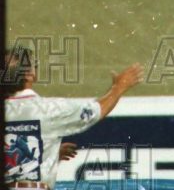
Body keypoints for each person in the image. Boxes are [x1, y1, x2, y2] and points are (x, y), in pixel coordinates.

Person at [3, 43, 143, 190]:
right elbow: (96, 111)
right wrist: (119, 87)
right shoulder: (49, 110)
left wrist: (48, 153)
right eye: (34, 65)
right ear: (29, 75)